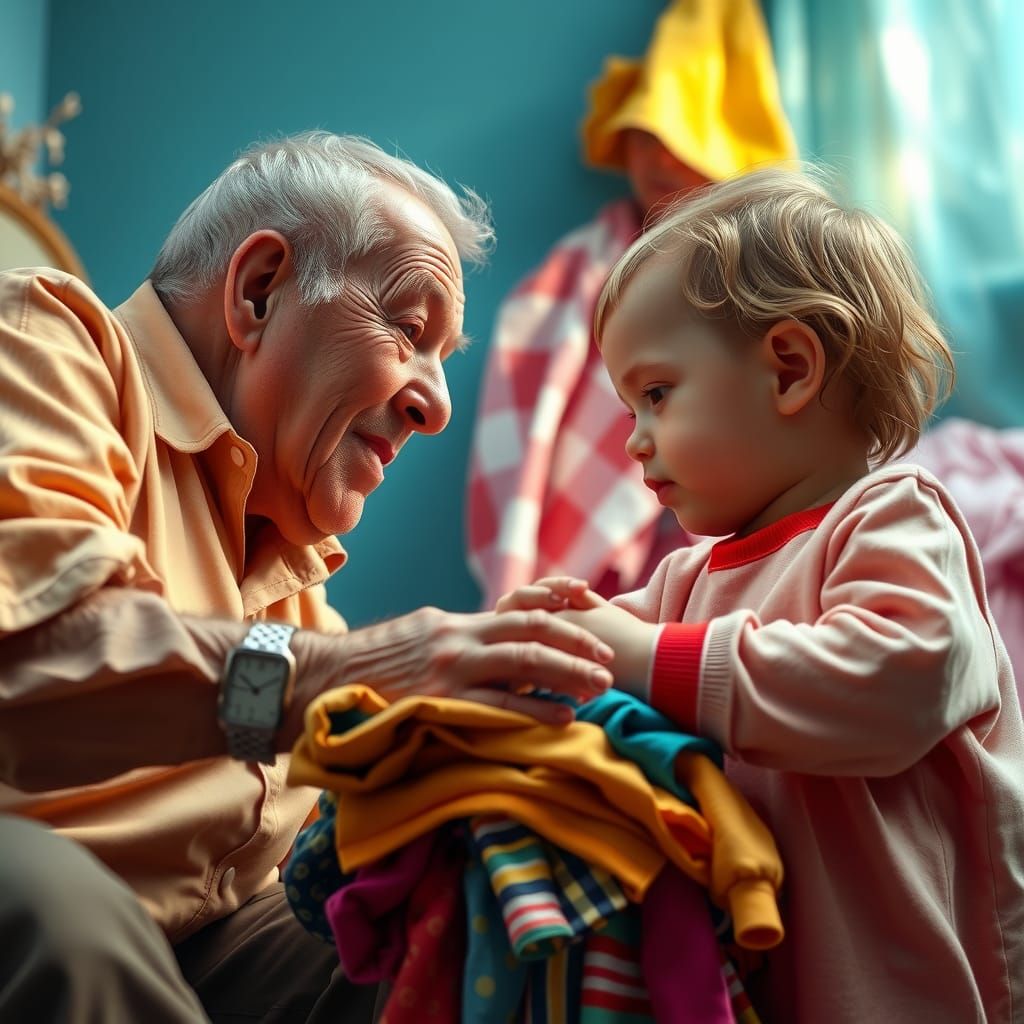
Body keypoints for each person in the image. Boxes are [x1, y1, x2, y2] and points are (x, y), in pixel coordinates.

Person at [0, 132, 616, 1023]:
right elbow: (37, 659)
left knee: (451, 927)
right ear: (258, 291)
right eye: (410, 331)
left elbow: (326, 799)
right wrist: (366, 666)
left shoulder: (288, 548)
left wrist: (481, 720)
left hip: (205, 944)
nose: (437, 404)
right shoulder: (45, 344)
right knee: (54, 904)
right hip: (51, 899)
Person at [498, 166, 1024, 1021]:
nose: (634, 442)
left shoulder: (891, 516)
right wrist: (532, 641)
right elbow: (599, 661)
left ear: (788, 370)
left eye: (656, 395)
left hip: (919, 990)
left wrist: (630, 651)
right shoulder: (684, 581)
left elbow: (906, 677)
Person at [467, 0, 797, 610]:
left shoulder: (764, 280)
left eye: (679, 138)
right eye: (641, 138)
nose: (656, 159)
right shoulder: (590, 265)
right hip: (621, 562)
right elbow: (534, 371)